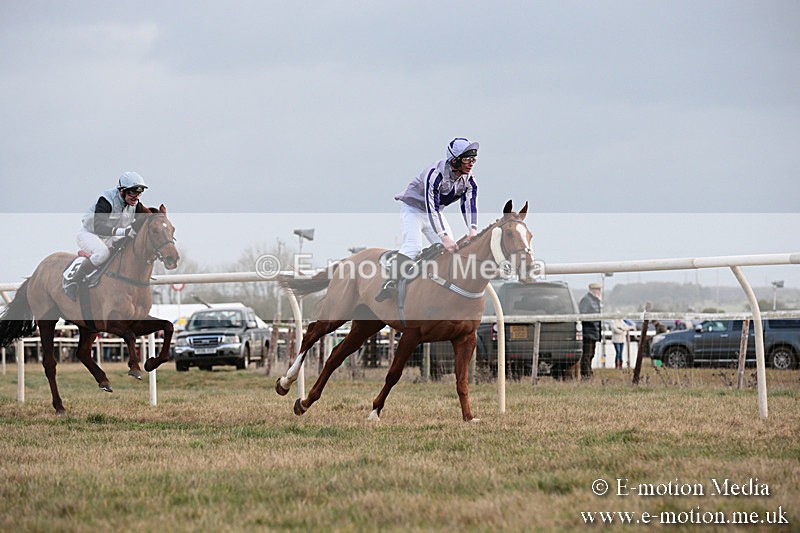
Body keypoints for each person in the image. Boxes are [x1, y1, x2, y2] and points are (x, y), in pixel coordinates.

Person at [376, 138, 479, 302]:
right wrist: (444, 237)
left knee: (451, 250)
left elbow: (469, 205)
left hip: (435, 213)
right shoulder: (435, 174)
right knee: (413, 246)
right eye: (467, 159)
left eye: (473, 159)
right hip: (414, 210)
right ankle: (390, 283)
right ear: (455, 160)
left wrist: (473, 231)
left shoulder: (470, 181)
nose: (471, 163)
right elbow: (432, 207)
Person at [66, 172, 148, 298]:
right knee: (103, 253)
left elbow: (148, 217)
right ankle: (74, 281)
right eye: (132, 193)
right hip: (89, 233)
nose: (136, 197)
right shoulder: (106, 201)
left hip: (109, 237)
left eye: (139, 193)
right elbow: (99, 227)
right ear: (122, 191)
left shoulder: (135, 205)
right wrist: (124, 232)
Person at [578, 282, 602, 379]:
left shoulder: (594, 300)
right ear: (594, 290)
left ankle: (589, 372)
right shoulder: (587, 300)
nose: (600, 292)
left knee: (591, 354)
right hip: (588, 332)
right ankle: (586, 375)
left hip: (593, 332)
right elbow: (582, 315)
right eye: (598, 289)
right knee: (586, 355)